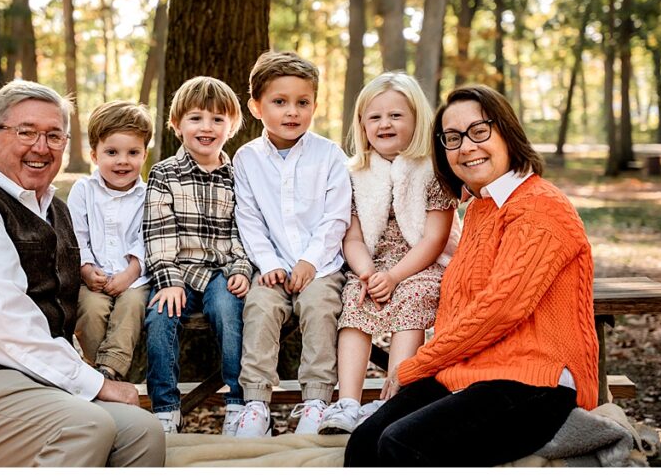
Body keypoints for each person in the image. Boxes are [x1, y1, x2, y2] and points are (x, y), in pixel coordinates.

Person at [0, 80, 164, 467]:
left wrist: (78, 371)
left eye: (54, 135)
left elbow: (54, 315)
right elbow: (5, 324)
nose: (41, 147)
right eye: (26, 132)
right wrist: (97, 384)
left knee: (142, 431)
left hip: (30, 385)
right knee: (85, 425)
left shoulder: (58, 212)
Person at [344, 84, 600, 467]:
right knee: (365, 442)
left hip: (536, 382)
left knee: (402, 444)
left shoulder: (541, 207)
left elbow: (499, 310)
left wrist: (417, 364)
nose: (466, 147)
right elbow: (458, 308)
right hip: (471, 371)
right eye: (452, 138)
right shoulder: (480, 210)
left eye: (479, 131)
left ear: (507, 133)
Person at [319, 72, 459, 435]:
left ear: (417, 120)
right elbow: (351, 239)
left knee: (413, 297)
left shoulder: (433, 169)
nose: (385, 123)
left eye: (396, 115)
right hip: (373, 263)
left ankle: (395, 397)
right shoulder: (353, 173)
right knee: (354, 297)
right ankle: (348, 402)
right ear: (362, 124)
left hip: (423, 263)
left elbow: (434, 239)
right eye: (375, 117)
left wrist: (396, 277)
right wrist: (367, 274)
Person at [231, 51, 352, 438]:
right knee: (260, 308)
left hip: (321, 267)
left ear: (315, 104)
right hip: (271, 268)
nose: (292, 112)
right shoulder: (247, 158)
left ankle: (316, 399)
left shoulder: (329, 154)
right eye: (279, 102)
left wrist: (310, 262)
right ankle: (255, 405)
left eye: (303, 103)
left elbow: (336, 216)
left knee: (319, 307)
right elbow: (248, 218)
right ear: (255, 106)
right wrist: (267, 262)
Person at [143, 76, 253, 435]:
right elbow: (158, 234)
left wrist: (240, 268)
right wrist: (169, 282)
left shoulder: (238, 177)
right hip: (178, 271)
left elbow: (244, 229)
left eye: (218, 119)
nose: (207, 127)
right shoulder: (164, 174)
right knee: (160, 318)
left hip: (221, 270)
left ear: (232, 126)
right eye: (196, 118)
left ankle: (238, 402)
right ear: (176, 125)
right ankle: (165, 407)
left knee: (229, 309)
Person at [69, 101, 153, 382]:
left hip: (135, 278)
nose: (122, 161)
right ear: (94, 154)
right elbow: (77, 235)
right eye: (112, 152)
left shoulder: (149, 194)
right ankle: (94, 368)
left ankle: (111, 370)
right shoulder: (83, 190)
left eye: (133, 152)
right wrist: (85, 268)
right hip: (95, 276)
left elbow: (149, 236)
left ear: (144, 154)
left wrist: (131, 272)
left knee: (131, 307)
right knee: (91, 309)